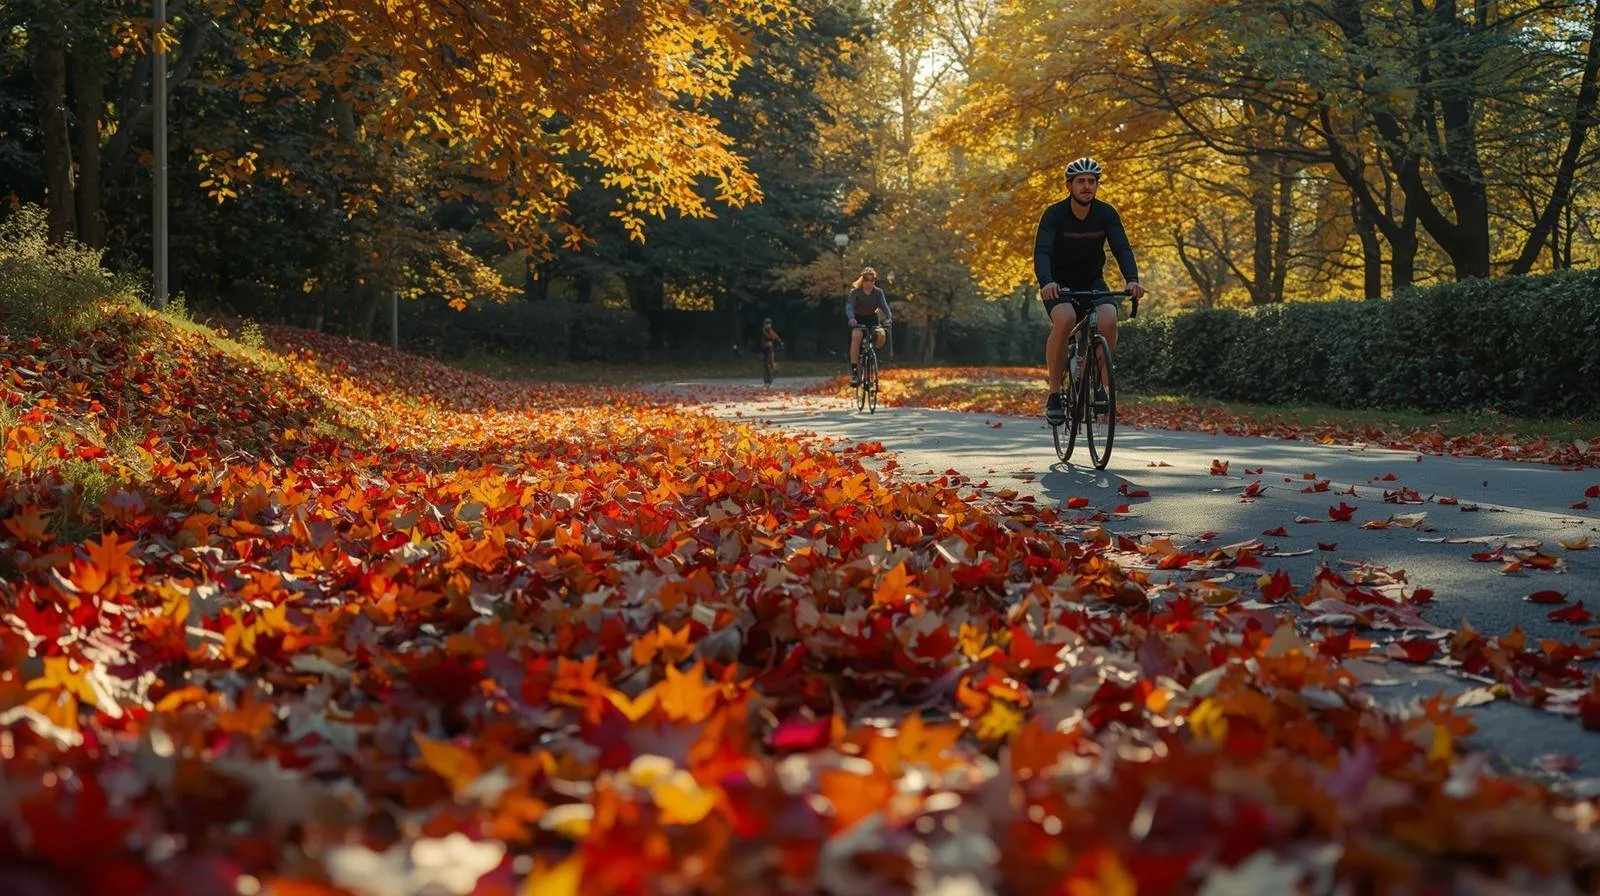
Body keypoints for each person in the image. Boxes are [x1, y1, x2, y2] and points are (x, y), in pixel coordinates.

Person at [1033, 156, 1145, 425]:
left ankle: (1100, 385)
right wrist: (1047, 281)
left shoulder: (1106, 214)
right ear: (1069, 185)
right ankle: (1054, 394)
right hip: (1058, 284)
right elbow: (1042, 251)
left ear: (1097, 185)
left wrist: (1132, 279)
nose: (1086, 186)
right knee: (1065, 319)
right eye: (1080, 181)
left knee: (1109, 319)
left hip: (1092, 281)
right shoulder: (1054, 214)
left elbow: (1121, 248)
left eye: (1091, 181)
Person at [845, 267, 892, 386]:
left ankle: (872, 360)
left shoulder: (878, 292)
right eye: (866, 280)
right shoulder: (855, 292)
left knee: (879, 335)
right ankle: (855, 371)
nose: (869, 283)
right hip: (858, 319)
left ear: (874, 281)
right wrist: (851, 318)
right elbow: (849, 307)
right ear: (862, 280)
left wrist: (888, 318)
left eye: (872, 280)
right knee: (856, 337)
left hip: (872, 319)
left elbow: (884, 306)